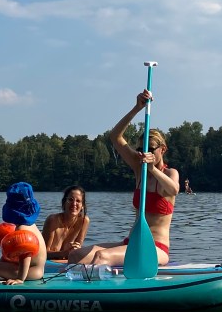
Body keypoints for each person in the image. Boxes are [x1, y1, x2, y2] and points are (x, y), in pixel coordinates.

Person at [68, 90, 178, 267]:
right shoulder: (138, 167)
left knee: (102, 257)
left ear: (162, 149)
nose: (145, 152)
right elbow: (115, 137)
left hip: (155, 248)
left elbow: (174, 190)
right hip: (131, 243)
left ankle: (100, 288)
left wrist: (152, 169)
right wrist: (137, 108)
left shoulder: (170, 173)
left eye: (150, 149)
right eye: (142, 148)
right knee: (76, 256)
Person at [42, 185, 90, 260]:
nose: (74, 204)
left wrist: (76, 251)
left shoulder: (84, 221)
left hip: (67, 264)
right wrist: (64, 253)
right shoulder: (52, 220)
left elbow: (77, 250)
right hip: (48, 264)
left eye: (78, 201)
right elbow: (43, 253)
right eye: (70, 200)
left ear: (82, 205)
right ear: (64, 202)